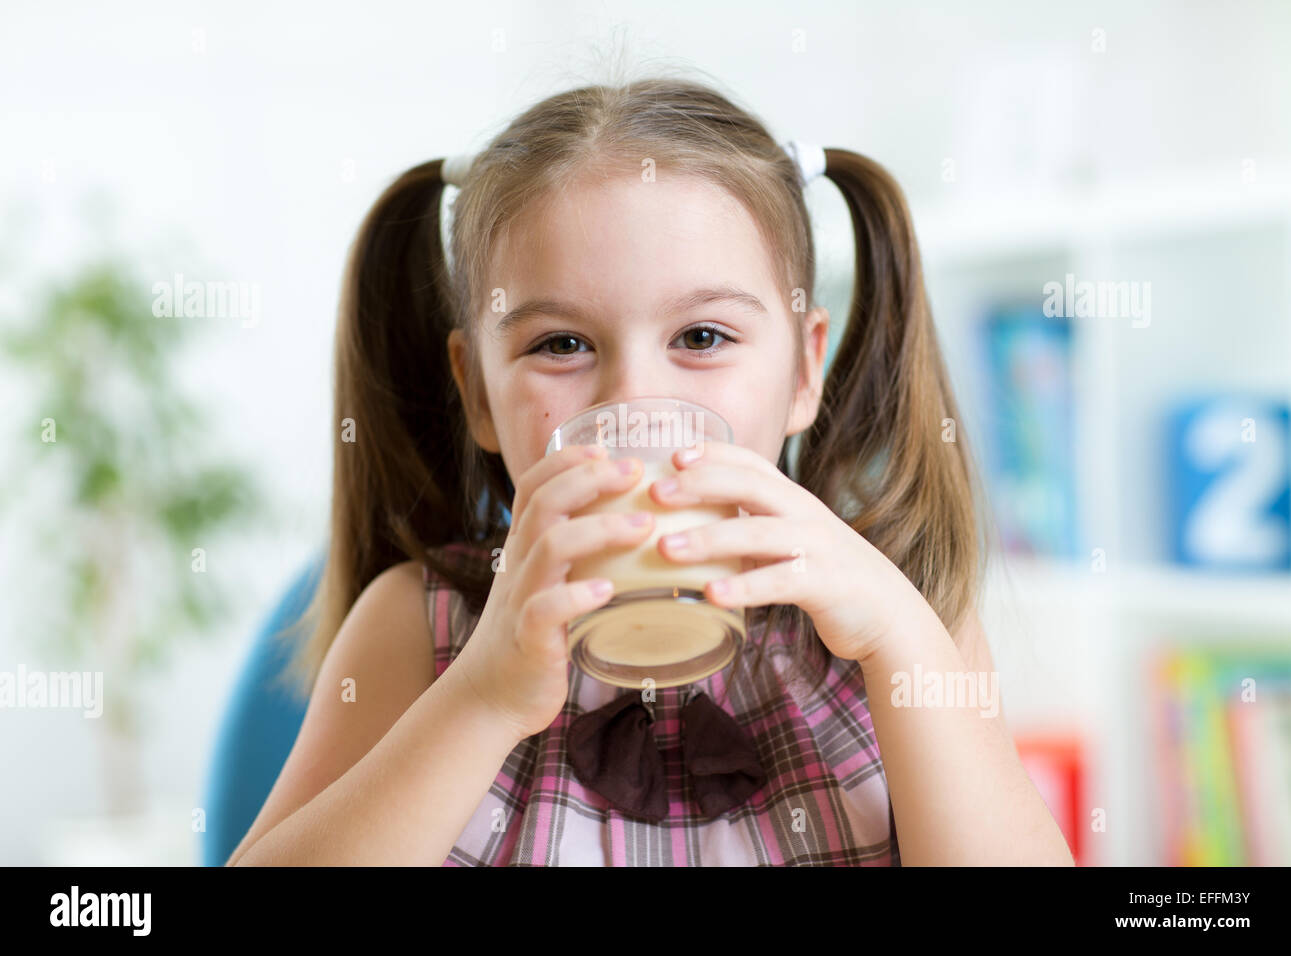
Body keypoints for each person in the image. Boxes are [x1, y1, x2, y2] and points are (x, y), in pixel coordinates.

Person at [226, 75, 1074, 866]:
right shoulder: (422, 627)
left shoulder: (902, 614)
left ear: (806, 370)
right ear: (477, 393)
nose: (634, 402)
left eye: (701, 338)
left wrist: (899, 640)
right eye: (561, 345)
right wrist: (482, 698)